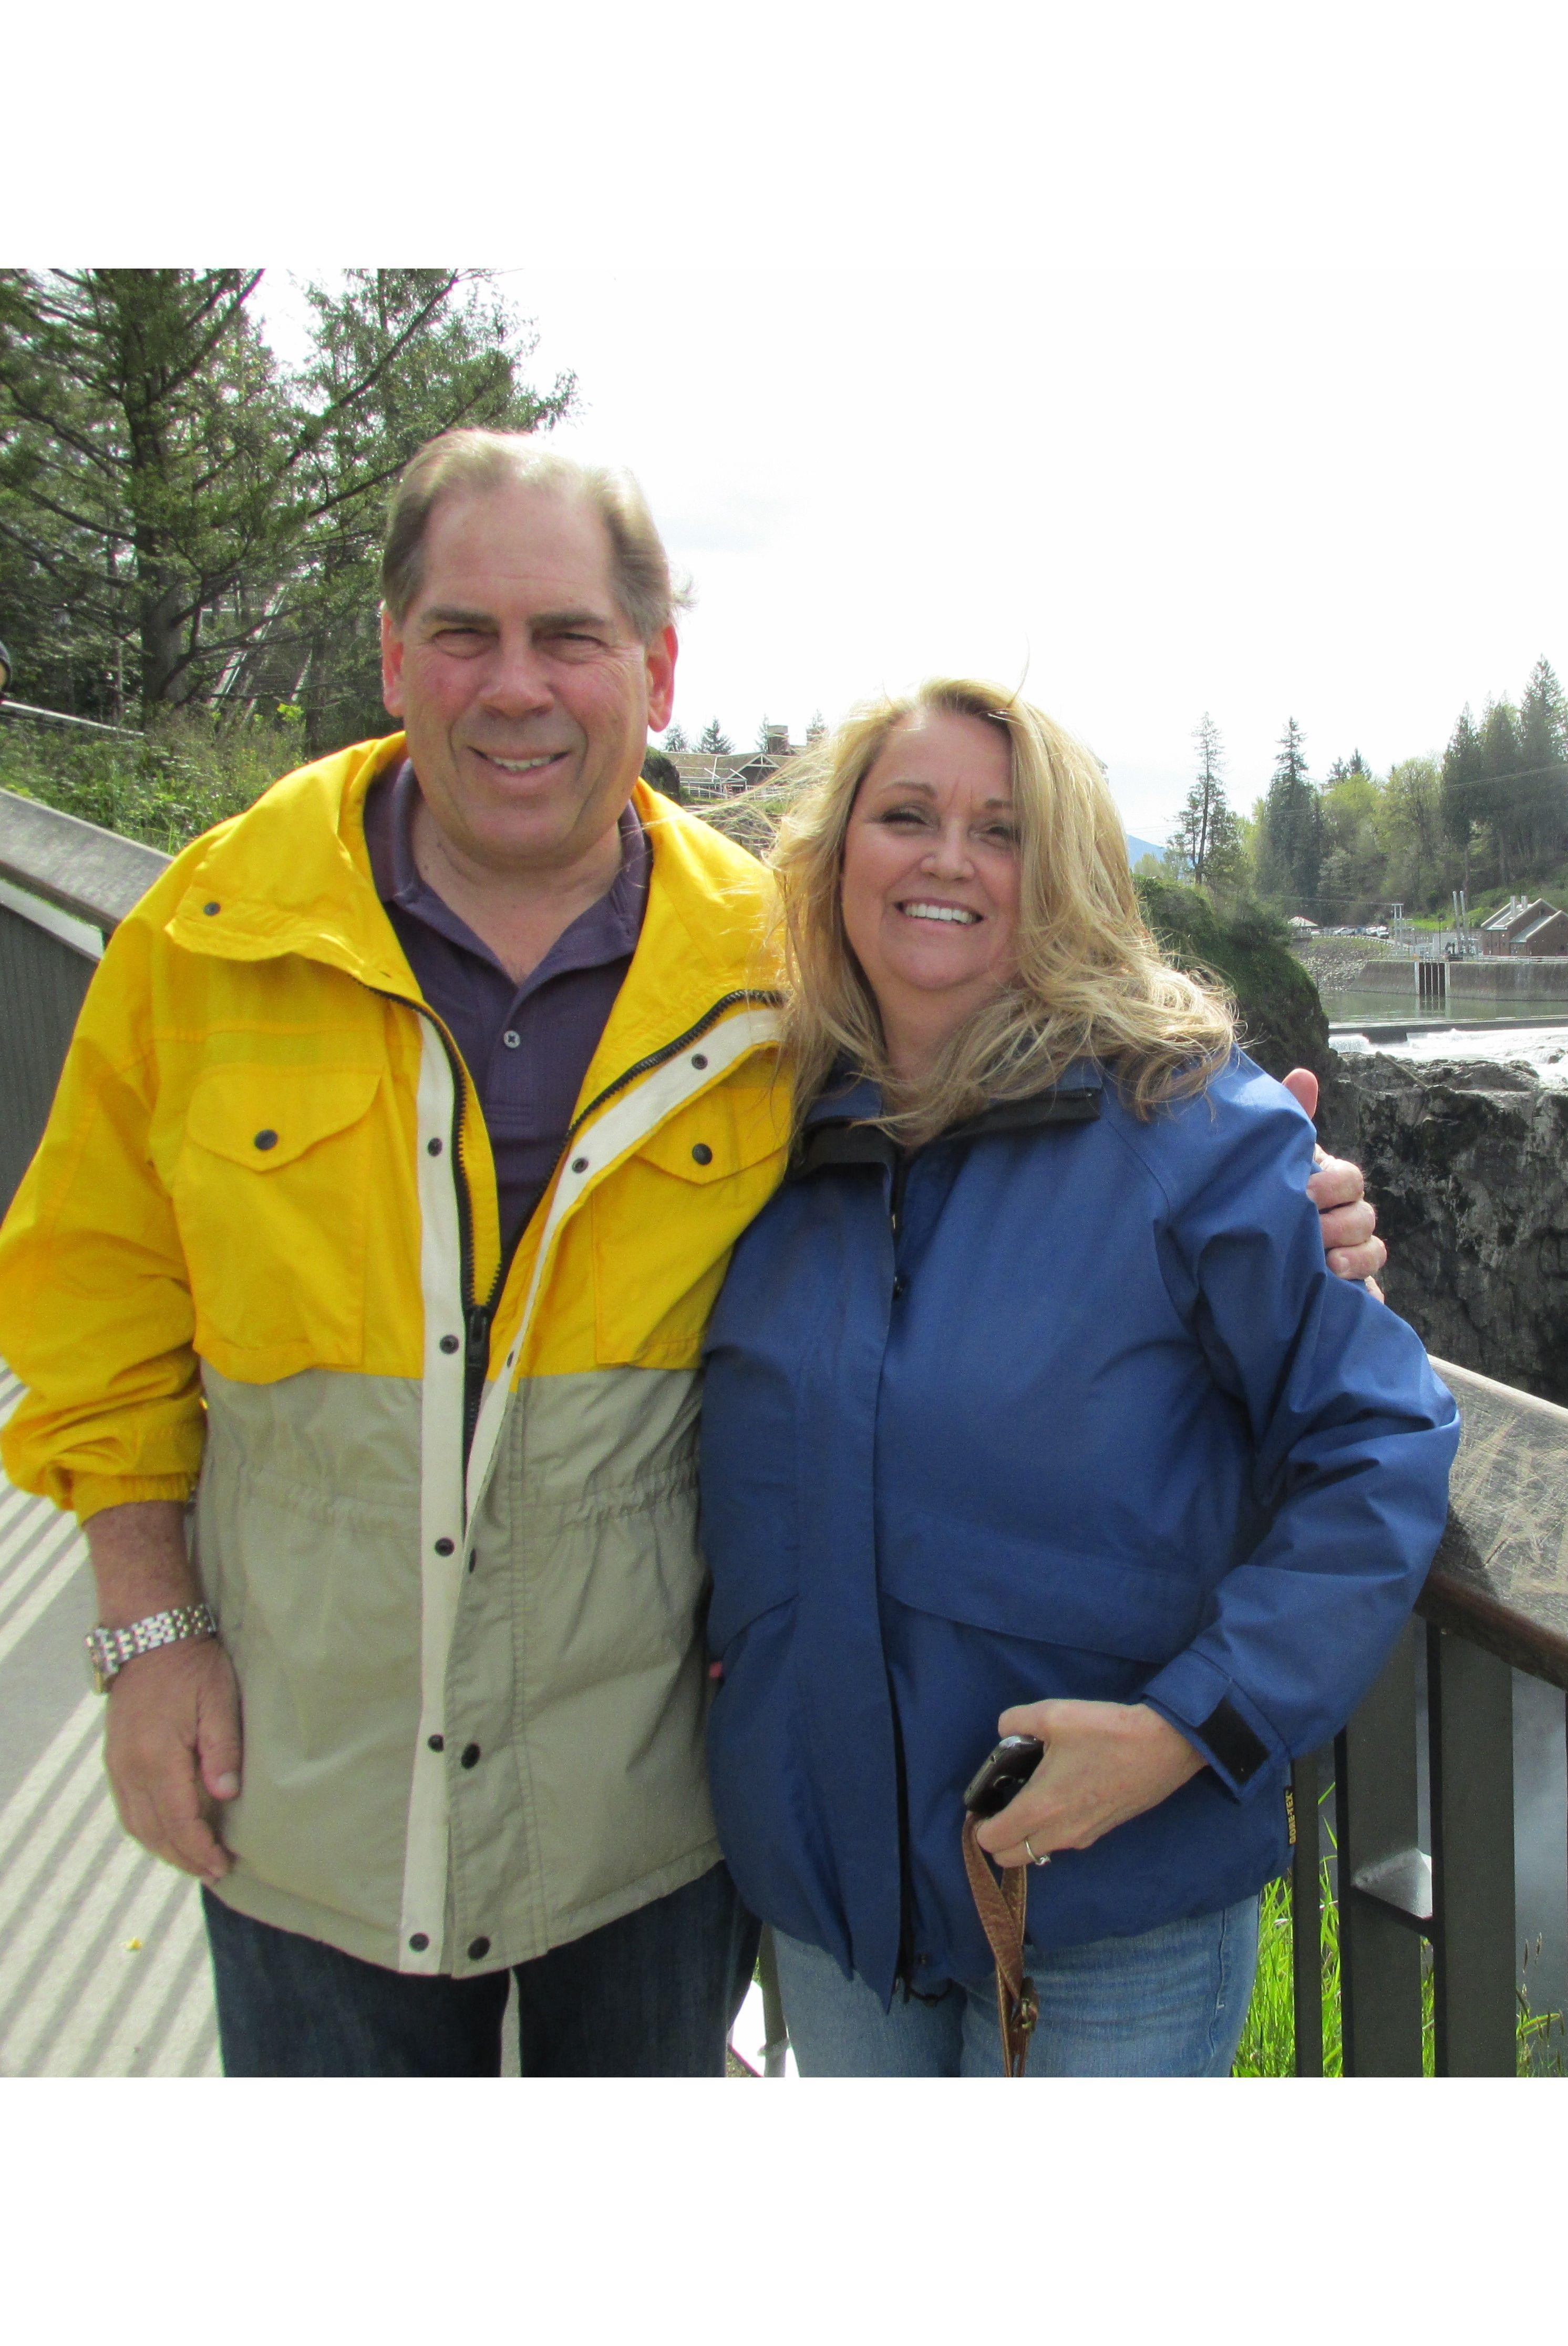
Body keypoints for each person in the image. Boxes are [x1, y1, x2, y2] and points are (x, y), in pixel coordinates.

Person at [0, 430, 1386, 2076]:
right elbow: (97, 1291)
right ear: (393, 654)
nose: (517, 685)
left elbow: (1312, 1383)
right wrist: (147, 1627)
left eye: (570, 636)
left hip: (649, 1836)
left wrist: (1290, 1200)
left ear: (654, 671)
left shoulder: (776, 994)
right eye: (465, 633)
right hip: (314, 1800)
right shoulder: (217, 936)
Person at [699, 678, 1458, 2075]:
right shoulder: (750, 1128)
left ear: (1068, 882)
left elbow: (1383, 1443)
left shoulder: (1191, 1128)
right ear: (837, 858)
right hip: (834, 1902)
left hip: (1114, 1913)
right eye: (907, 816)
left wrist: (1193, 1729)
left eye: (1006, 832)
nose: (948, 858)